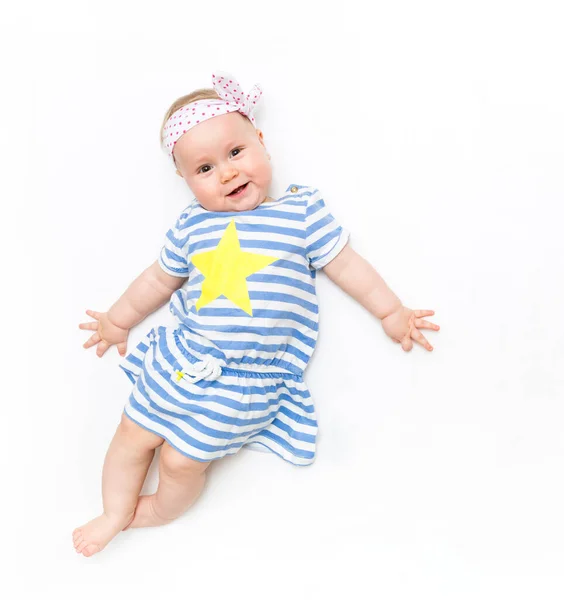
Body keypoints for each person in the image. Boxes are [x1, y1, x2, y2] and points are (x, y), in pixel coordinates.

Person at [72, 71, 440, 557]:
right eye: (203, 169)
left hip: (249, 379)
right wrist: (118, 320)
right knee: (131, 434)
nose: (226, 173)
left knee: (182, 459)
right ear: (184, 181)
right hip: (183, 359)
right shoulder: (193, 225)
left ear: (261, 143)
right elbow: (158, 280)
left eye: (235, 153)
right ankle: (114, 510)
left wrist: (391, 311)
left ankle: (158, 509)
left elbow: (347, 264)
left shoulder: (300, 214)